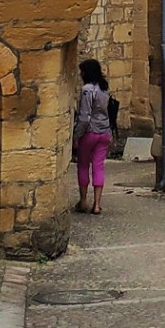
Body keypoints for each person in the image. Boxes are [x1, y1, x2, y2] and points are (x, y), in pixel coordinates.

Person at [73, 59, 112, 215]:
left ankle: (83, 201)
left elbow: (84, 116)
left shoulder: (87, 90)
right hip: (105, 131)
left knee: (83, 165)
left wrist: (76, 135)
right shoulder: (104, 88)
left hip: (89, 132)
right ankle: (97, 204)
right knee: (98, 166)